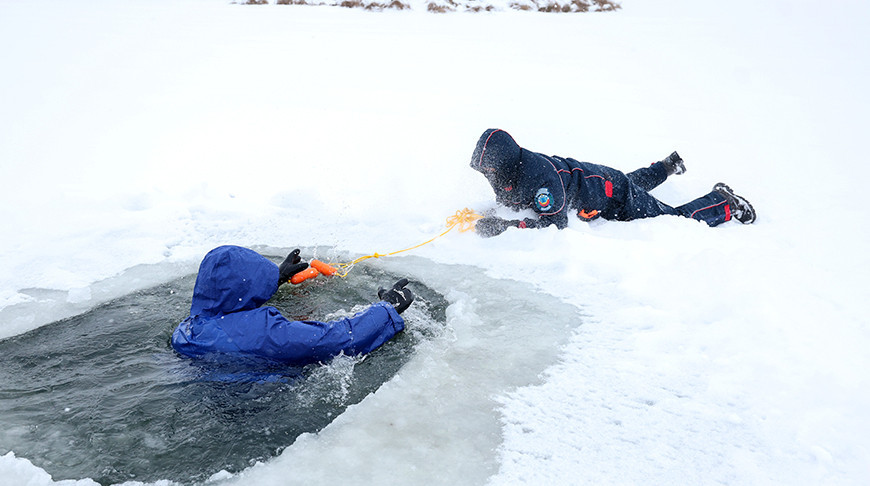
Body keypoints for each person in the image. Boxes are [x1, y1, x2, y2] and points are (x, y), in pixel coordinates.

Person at [470, 129, 756, 237]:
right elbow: (511, 201)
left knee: (672, 218)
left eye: (490, 169)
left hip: (610, 195)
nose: (488, 175)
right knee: (630, 183)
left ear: (505, 162)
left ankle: (724, 203)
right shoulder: (508, 173)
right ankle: (667, 167)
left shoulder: (541, 179)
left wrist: (508, 226)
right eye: (485, 171)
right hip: (596, 181)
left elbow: (555, 224)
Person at [171, 245, 414, 366]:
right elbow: (334, 341)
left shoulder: (188, 328)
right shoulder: (263, 332)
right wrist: (386, 310)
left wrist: (273, 281)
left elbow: (231, 300)